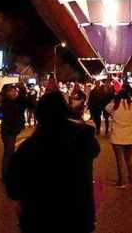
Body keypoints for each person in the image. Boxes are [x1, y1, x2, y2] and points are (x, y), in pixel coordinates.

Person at [6, 91, 100, 232]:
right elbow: (95, 150)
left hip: (40, 221)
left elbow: (13, 189)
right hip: (77, 220)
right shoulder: (83, 137)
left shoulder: (29, 148)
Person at [105, 88, 132, 188]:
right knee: (129, 159)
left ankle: (121, 181)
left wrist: (114, 99)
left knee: (119, 161)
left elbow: (106, 108)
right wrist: (130, 99)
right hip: (128, 136)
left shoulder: (114, 105)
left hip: (117, 137)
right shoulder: (130, 105)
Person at [1, 85, 25, 182]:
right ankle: (6, 175)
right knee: (9, 153)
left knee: (9, 152)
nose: (15, 92)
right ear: (7, 93)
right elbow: (11, 117)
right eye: (12, 91)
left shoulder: (14, 101)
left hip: (11, 130)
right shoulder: (8, 103)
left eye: (15, 90)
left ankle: (7, 173)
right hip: (9, 130)